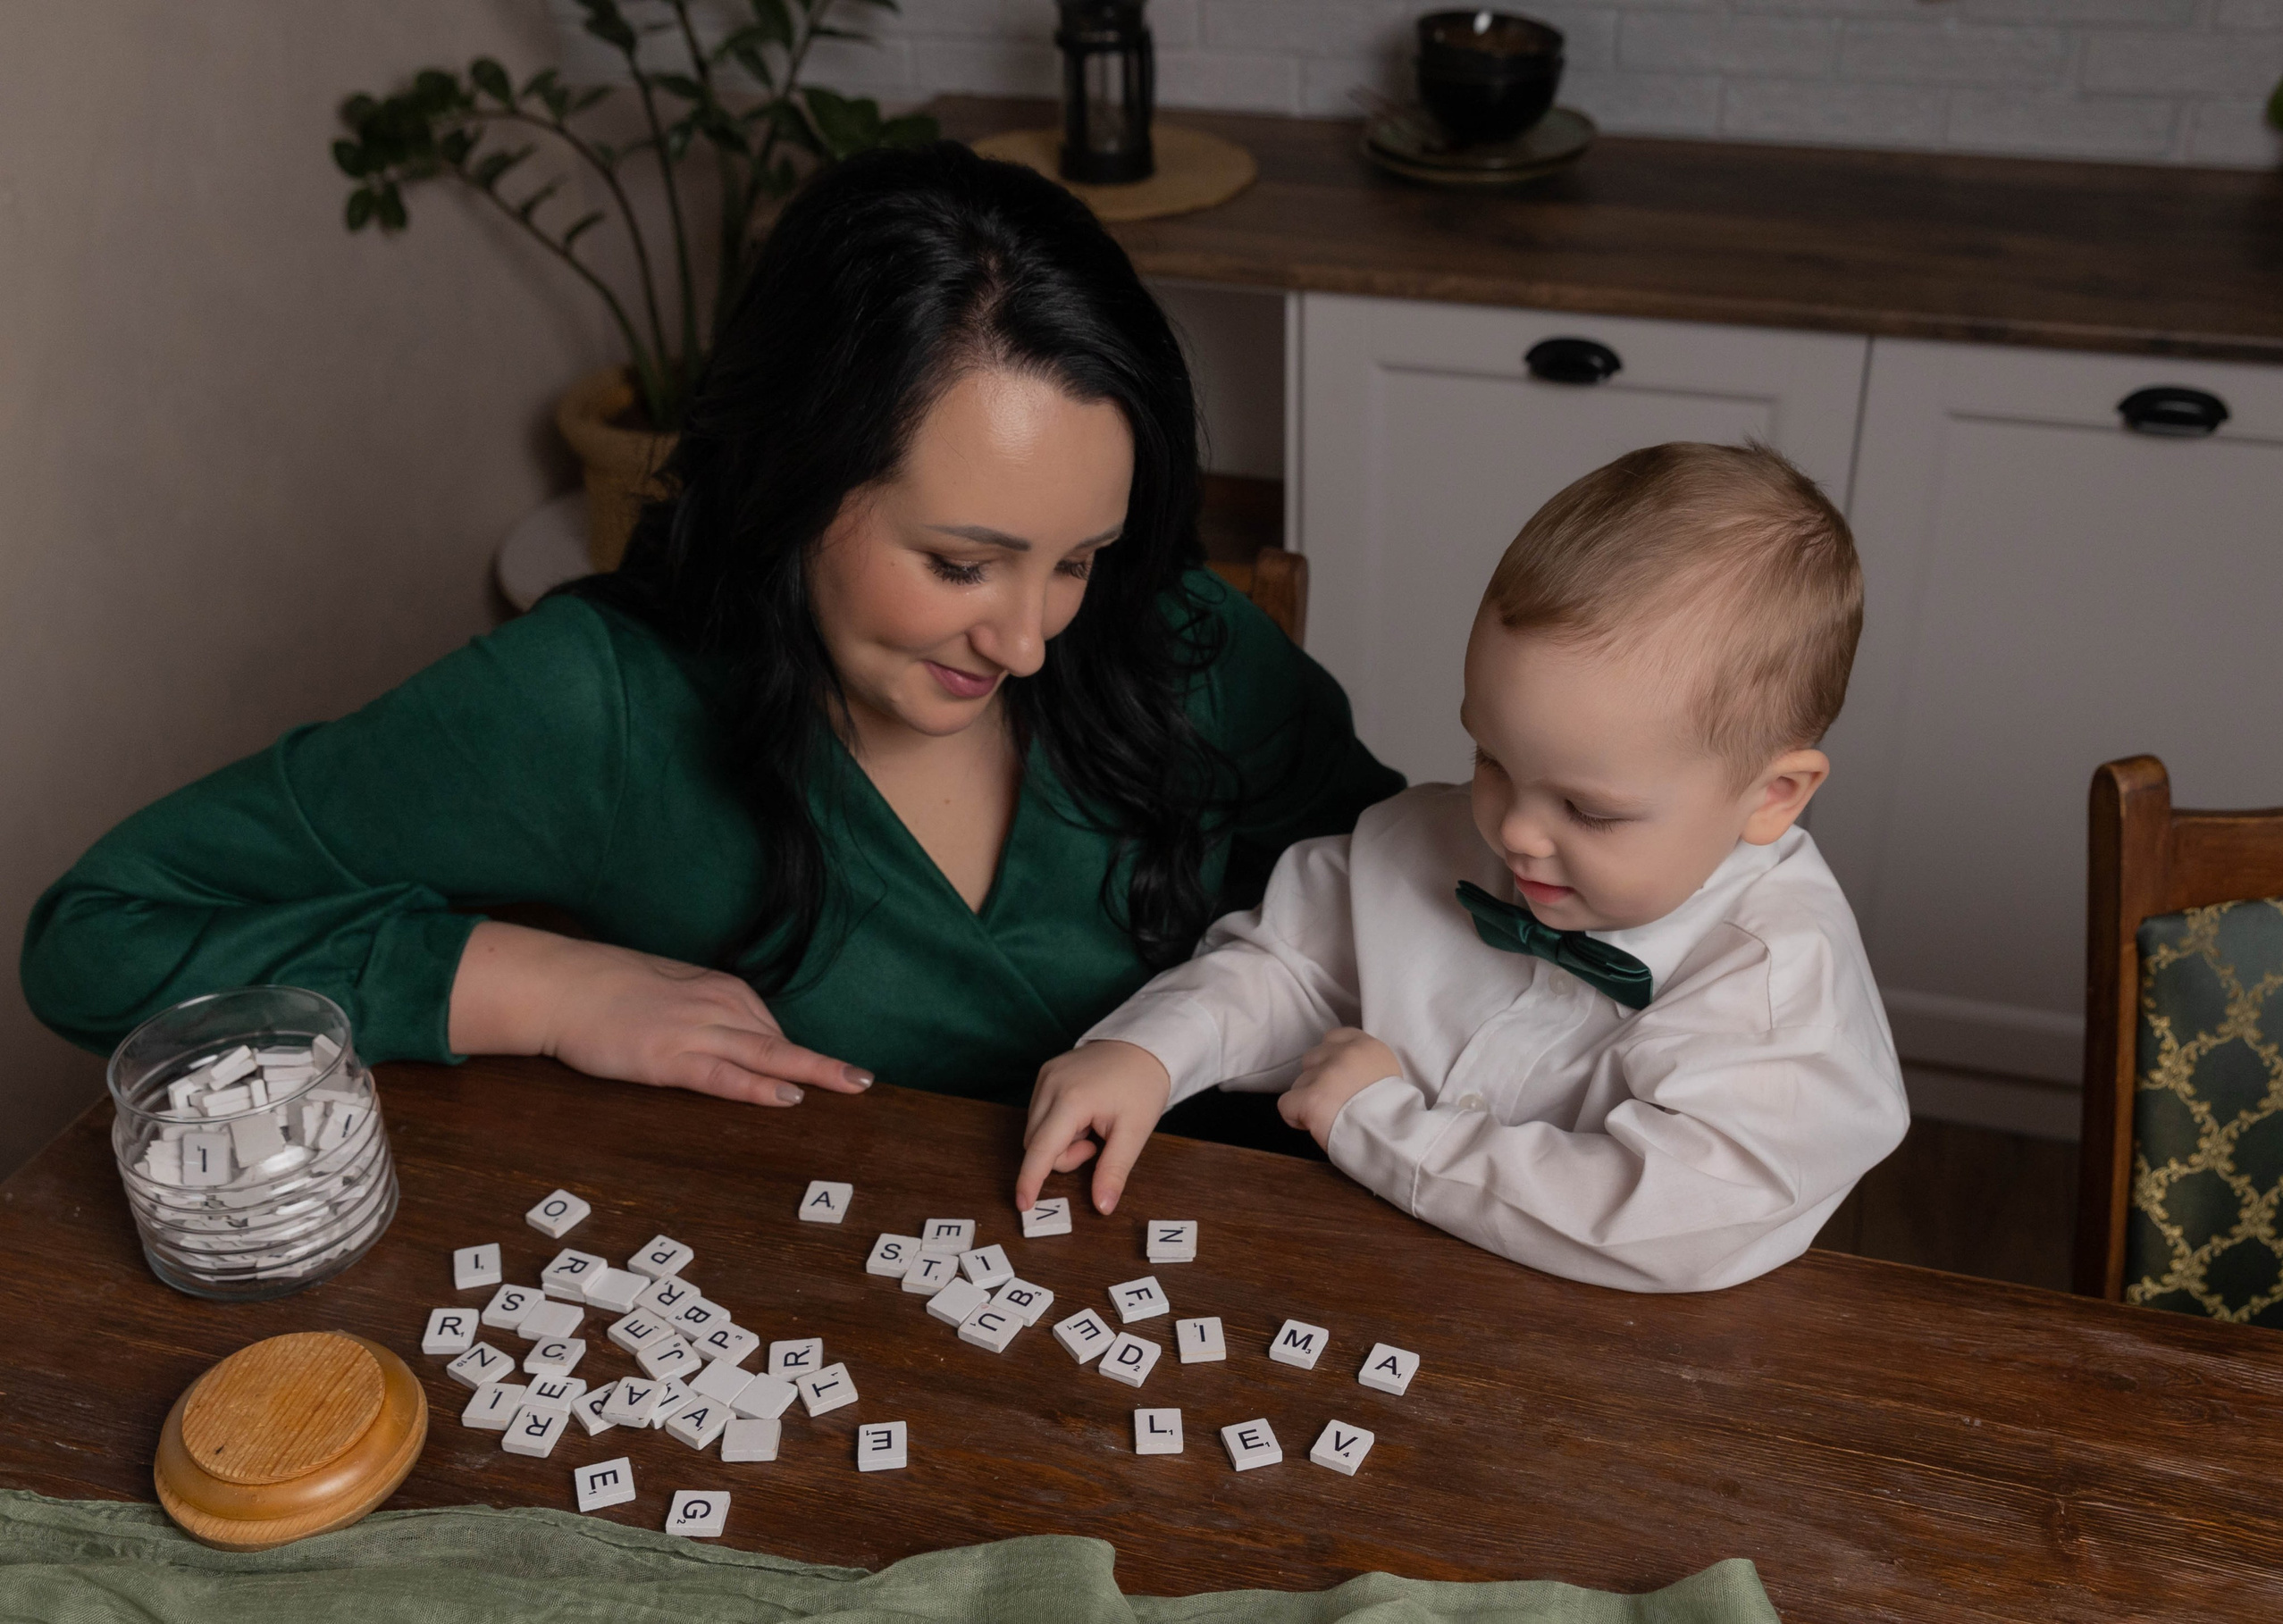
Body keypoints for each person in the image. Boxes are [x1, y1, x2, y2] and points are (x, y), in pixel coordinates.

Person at [21, 143, 1401, 1157]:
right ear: (793, 483)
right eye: (962, 563)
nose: (1033, 639)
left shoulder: (1187, 647)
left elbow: (1442, 911)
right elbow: (100, 938)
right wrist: (536, 985)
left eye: (1081, 559)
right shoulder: (589, 709)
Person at [1019, 442, 1908, 1291]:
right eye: (1490, 759)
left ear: (1773, 796)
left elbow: (1667, 1222)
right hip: (1355, 1275)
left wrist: (1384, 1126)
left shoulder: (1778, 991)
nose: (1514, 831)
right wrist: (1151, 1050)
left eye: (1586, 809)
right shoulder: (1428, 843)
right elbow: (1286, 966)